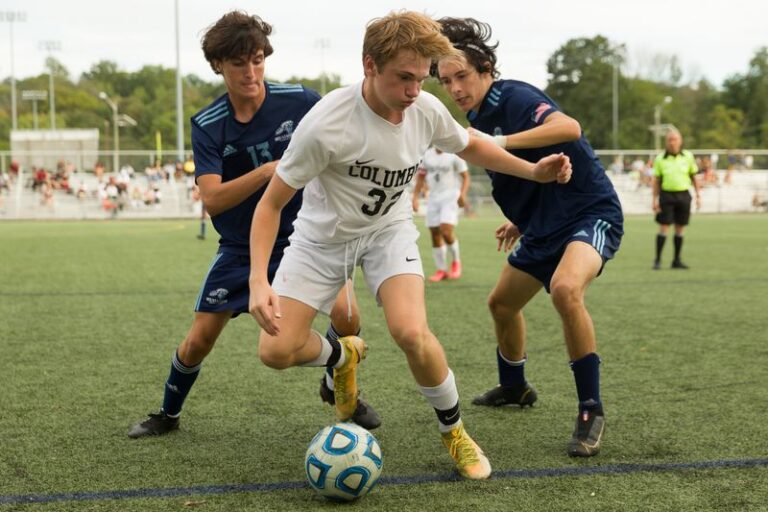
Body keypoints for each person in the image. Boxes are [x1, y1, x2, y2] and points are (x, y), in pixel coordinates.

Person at [248, 11, 571, 480]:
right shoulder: (325, 125)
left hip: (388, 232)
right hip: (322, 242)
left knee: (411, 332)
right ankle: (343, 356)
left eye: (421, 79)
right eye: (404, 78)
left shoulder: (424, 110)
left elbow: (470, 146)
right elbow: (270, 205)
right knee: (274, 352)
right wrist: (259, 280)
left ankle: (455, 431)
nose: (415, 91)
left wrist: (533, 170)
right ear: (369, 66)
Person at [128, 11, 380, 438]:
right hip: (241, 248)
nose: (251, 72)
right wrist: (269, 172)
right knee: (198, 341)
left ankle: (333, 383)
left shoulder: (300, 100)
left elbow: (343, 132)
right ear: (218, 66)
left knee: (348, 314)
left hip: (305, 240)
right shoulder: (208, 124)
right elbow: (213, 197)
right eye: (239, 63)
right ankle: (167, 414)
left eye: (258, 60)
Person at [435, 17, 624, 457]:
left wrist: (500, 141)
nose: (455, 88)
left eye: (462, 75)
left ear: (484, 69)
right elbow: (529, 171)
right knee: (501, 304)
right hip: (543, 226)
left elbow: (569, 129)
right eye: (446, 80)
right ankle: (515, 386)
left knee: (565, 288)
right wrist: (520, 221)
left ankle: (590, 409)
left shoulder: (514, 96)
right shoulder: (477, 116)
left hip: (589, 213)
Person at [412, 147, 470, 281]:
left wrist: (462, 194)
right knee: (434, 233)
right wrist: (415, 198)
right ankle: (441, 270)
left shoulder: (454, 154)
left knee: (446, 231)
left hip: (450, 197)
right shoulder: (426, 155)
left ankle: (456, 262)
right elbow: (420, 178)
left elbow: (465, 177)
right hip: (433, 197)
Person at [652, 130, 700, 270]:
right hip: (666, 195)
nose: (672, 142)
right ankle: (658, 260)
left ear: (680, 141)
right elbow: (657, 181)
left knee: (680, 228)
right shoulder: (660, 158)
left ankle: (676, 260)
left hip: (684, 195)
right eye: (670, 139)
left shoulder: (688, 156)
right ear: (666, 141)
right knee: (664, 227)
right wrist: (654, 199)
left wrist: (698, 195)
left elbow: (694, 177)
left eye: (675, 139)